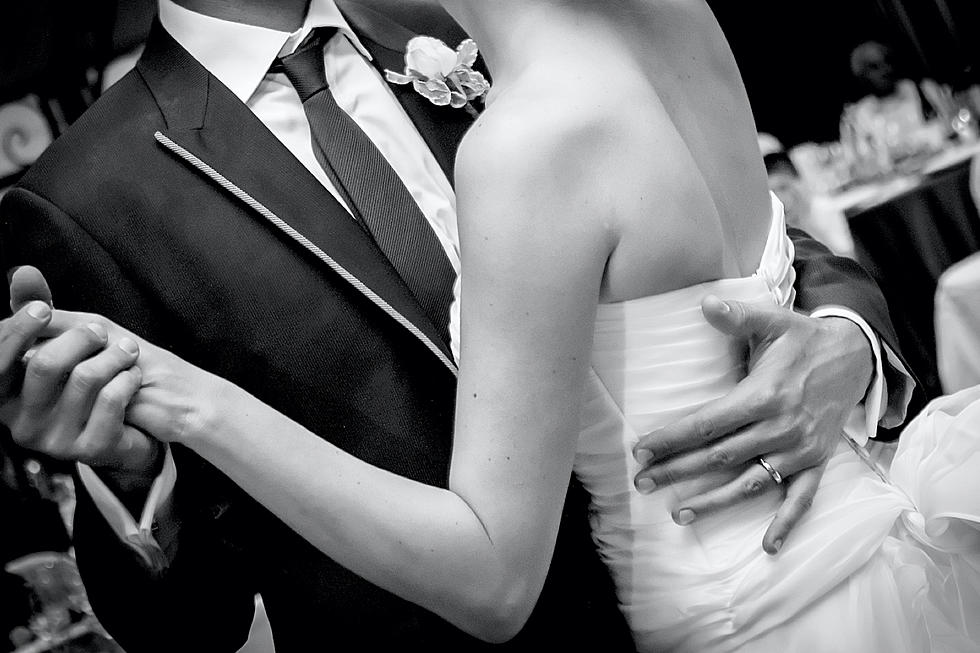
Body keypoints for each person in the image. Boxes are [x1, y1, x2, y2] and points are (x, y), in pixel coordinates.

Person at [0, 0, 916, 650]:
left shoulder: (468, 21)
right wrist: (133, 477)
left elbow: (745, 242)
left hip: (744, 584)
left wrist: (843, 338)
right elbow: (186, 628)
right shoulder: (88, 200)